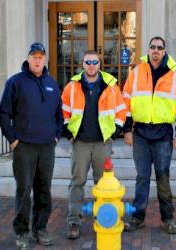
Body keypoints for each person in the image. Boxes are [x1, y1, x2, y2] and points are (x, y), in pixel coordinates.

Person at [0, 42, 63, 249]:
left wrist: (56, 136)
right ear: (28, 58)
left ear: (45, 59)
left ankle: (40, 228)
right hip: (24, 146)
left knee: (44, 188)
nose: (37, 60)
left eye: (41, 56)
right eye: (34, 56)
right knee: (24, 190)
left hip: (46, 147)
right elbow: (4, 113)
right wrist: (13, 139)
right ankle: (22, 232)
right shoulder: (15, 82)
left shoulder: (52, 83)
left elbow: (59, 116)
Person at [122, 37, 176, 234]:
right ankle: (137, 217)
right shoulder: (136, 72)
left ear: (164, 50)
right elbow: (126, 102)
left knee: (163, 177)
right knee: (142, 177)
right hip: (141, 133)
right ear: (148, 50)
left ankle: (167, 219)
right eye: (153, 47)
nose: (156, 51)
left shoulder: (174, 75)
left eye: (160, 48)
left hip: (163, 134)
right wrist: (126, 130)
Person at [62, 50, 127, 239]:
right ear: (83, 64)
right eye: (88, 62)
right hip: (80, 143)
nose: (91, 65)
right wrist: (68, 132)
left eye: (95, 62)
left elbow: (122, 111)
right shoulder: (72, 86)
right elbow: (63, 110)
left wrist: (115, 131)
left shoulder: (111, 85)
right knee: (77, 183)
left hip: (102, 144)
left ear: (100, 64)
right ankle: (74, 221)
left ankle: (103, 218)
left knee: (103, 184)